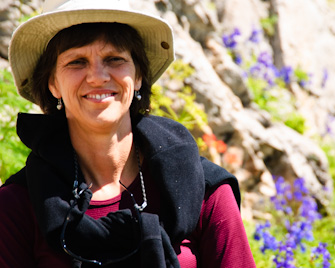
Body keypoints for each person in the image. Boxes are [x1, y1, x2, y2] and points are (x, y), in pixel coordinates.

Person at [0, 0, 256, 267]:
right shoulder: (17, 207)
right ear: (53, 83)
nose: (97, 77)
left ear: (138, 77)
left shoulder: (204, 192)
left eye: (115, 59)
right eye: (77, 62)